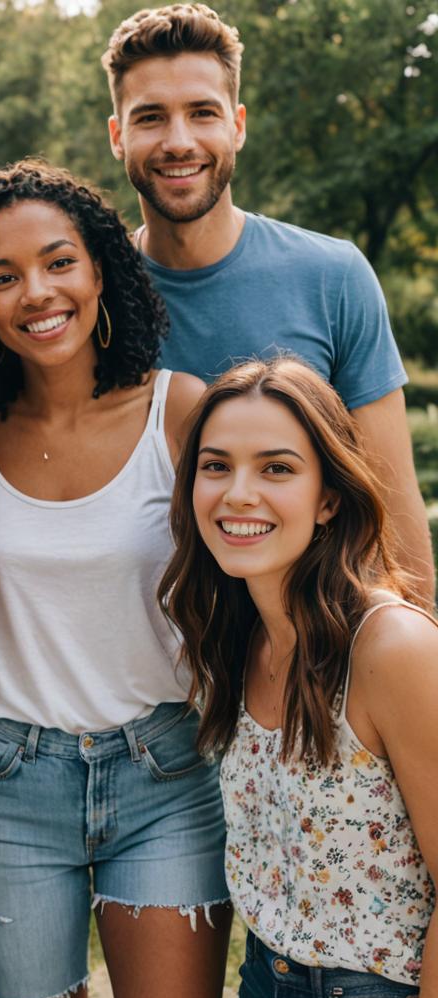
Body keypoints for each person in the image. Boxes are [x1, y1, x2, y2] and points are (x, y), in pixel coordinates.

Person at [0, 158, 230, 998]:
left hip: (163, 772)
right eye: (3, 276)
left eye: (59, 262)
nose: (37, 291)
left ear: (101, 268)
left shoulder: (180, 412)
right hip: (8, 780)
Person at [102, 3, 435, 605]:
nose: (179, 141)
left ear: (238, 124)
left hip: (308, 657)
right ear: (118, 135)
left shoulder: (331, 276)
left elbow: (394, 509)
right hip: (144, 669)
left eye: (202, 113)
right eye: (150, 117)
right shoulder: (88, 299)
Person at [159, 357, 437, 998]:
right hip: (265, 982)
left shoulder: (390, 648)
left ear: (329, 497)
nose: (238, 494)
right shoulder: (239, 636)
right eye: (217, 465)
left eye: (276, 468)